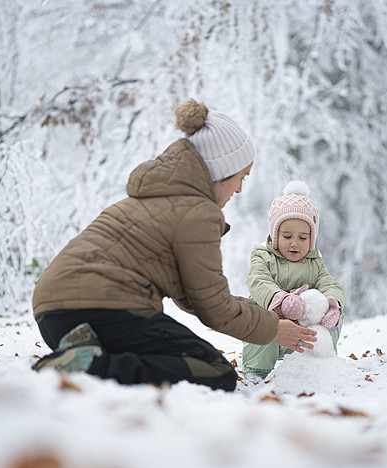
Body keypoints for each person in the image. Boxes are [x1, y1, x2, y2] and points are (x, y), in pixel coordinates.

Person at [30, 99, 317, 392]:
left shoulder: (156, 199)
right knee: (214, 371)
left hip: (54, 316)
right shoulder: (197, 211)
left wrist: (266, 314)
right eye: (240, 177)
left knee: (165, 354)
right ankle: (92, 366)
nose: (240, 189)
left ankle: (85, 352)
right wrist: (272, 330)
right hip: (106, 308)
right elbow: (214, 309)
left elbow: (193, 296)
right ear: (220, 172)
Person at [242, 181, 346, 382]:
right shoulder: (263, 256)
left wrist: (334, 303)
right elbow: (258, 279)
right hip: (273, 326)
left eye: (303, 237)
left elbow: (329, 283)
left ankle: (317, 362)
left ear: (312, 239)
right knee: (259, 315)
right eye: (287, 236)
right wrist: (279, 300)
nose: (295, 243)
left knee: (334, 318)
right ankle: (257, 370)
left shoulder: (314, 261)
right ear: (275, 234)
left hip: (302, 328)